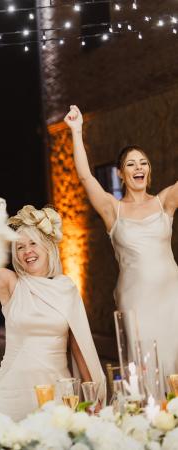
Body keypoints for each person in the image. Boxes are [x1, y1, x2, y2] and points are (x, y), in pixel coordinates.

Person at [64, 105, 178, 379]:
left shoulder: (165, 203)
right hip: (136, 300)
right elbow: (84, 177)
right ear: (120, 174)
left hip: (172, 296)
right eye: (131, 164)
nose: (139, 167)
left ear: (148, 171)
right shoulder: (112, 210)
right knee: (146, 366)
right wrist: (76, 131)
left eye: (143, 163)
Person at [0, 202, 105, 421]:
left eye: (33, 244)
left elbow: (78, 345)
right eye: (20, 247)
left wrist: (92, 395)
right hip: (14, 391)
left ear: (47, 247)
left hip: (59, 389)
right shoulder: (12, 285)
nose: (27, 252)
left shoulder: (65, 288)